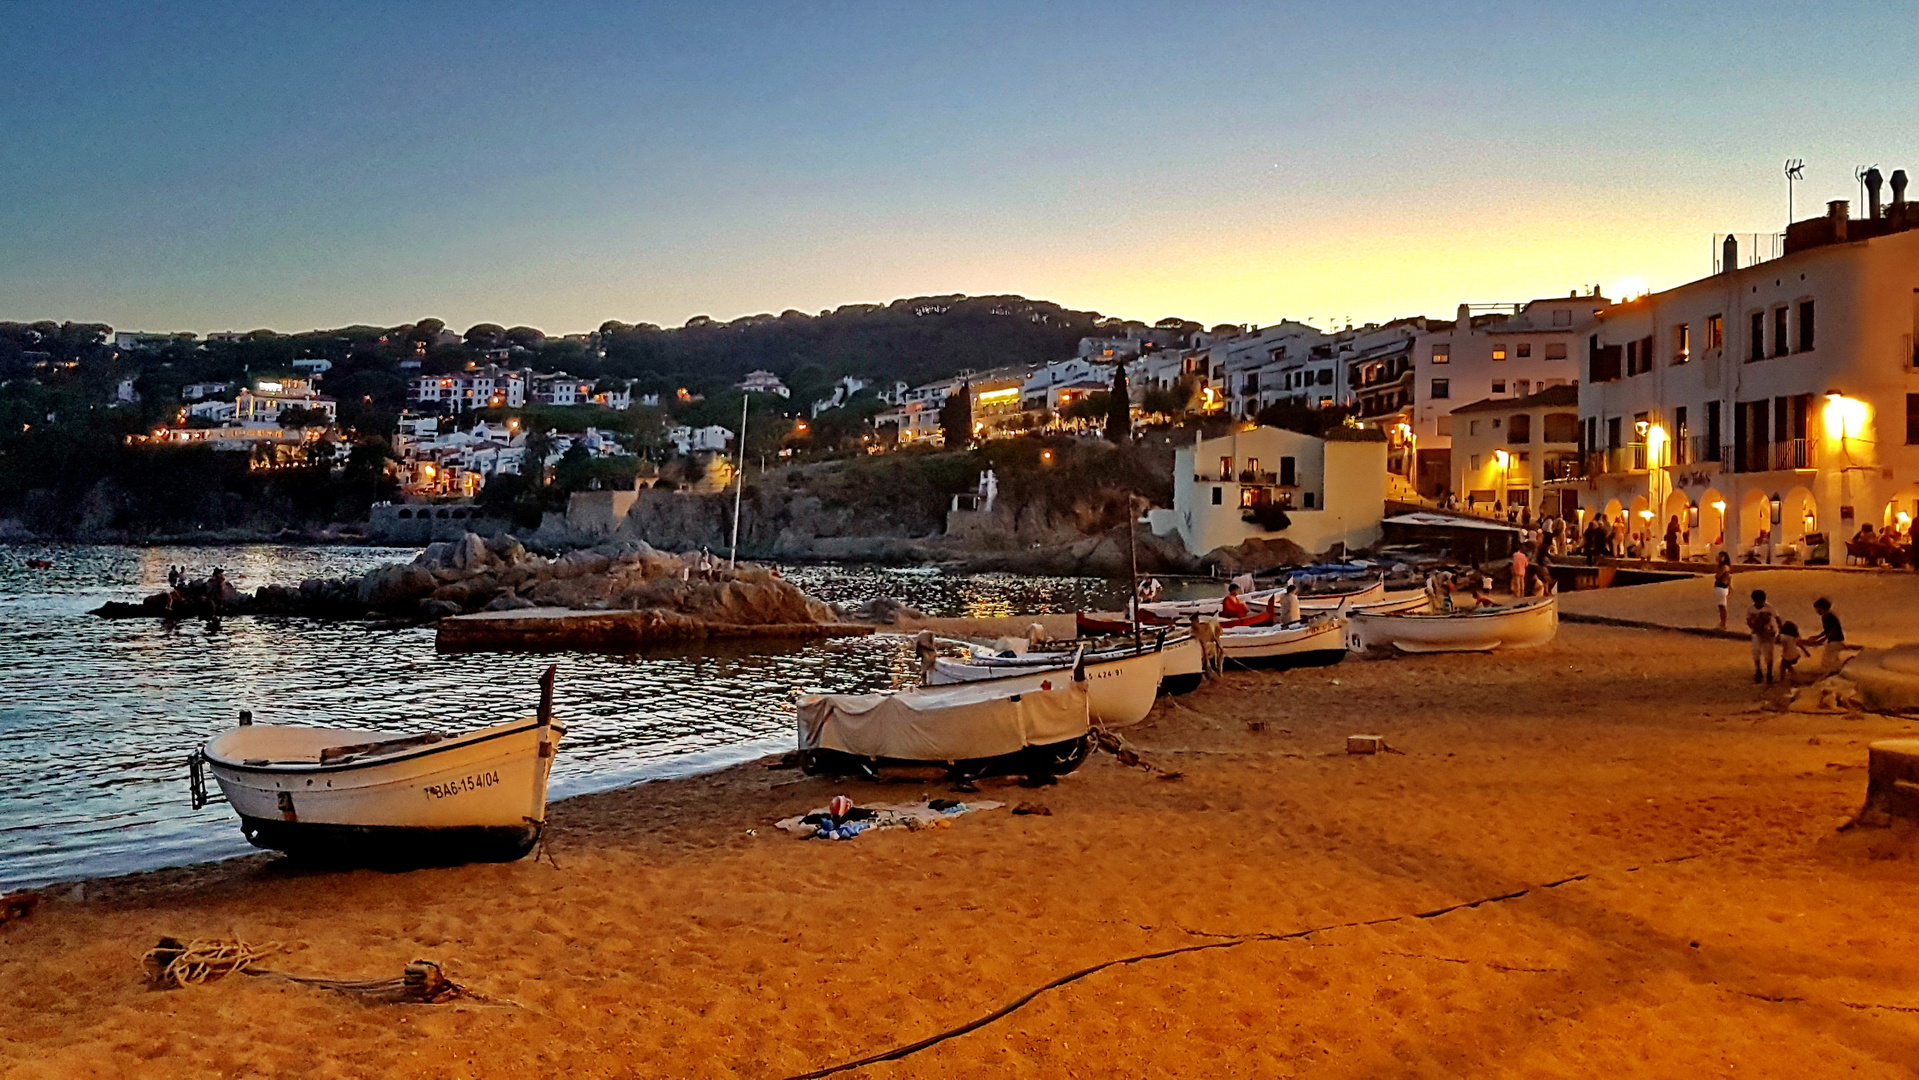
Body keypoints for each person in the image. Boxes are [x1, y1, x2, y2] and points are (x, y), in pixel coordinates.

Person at [1745, 589, 1780, 685]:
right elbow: (1749, 622)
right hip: (1758, 632)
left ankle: (1769, 672)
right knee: (1756, 652)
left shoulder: (1768, 608)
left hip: (1768, 633)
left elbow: (1777, 618)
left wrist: (1779, 631)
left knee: (1769, 653)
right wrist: (1755, 627)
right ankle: (1758, 670)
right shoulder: (1752, 609)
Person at [1805, 597, 1847, 673]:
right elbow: (1827, 630)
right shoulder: (1827, 616)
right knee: (1833, 656)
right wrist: (1818, 637)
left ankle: (1832, 671)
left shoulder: (1828, 617)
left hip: (1835, 640)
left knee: (1827, 658)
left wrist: (1822, 639)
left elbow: (1831, 630)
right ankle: (1837, 670)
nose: (1817, 611)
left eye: (1818, 609)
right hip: (1837, 639)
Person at [1713, 553, 1733, 630]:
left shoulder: (1724, 567)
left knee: (1722, 606)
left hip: (1722, 587)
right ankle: (1722, 622)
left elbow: (1717, 576)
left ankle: (1723, 623)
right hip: (1721, 587)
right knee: (1721, 606)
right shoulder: (1723, 567)